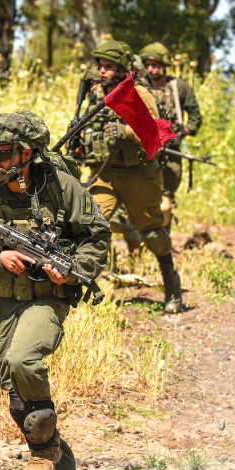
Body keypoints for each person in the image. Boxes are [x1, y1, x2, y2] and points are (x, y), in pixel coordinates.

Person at [0, 111, 110, 470]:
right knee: (17, 394)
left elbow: (98, 237)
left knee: (24, 360)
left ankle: (41, 452)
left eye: (2, 154)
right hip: (2, 301)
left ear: (25, 153)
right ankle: (63, 466)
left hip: (47, 298)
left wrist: (71, 271)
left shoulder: (61, 186)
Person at [80, 40, 186, 313]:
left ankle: (172, 286)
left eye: (109, 66)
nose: (102, 71)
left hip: (139, 173)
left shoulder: (139, 93)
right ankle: (77, 288)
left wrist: (125, 131)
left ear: (122, 67)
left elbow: (158, 133)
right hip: (106, 173)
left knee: (151, 233)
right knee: (90, 224)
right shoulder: (96, 93)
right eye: (100, 66)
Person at [139, 42, 202, 229]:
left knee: (165, 201)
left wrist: (183, 132)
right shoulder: (139, 87)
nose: (151, 69)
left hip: (170, 151)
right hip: (143, 151)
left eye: (155, 65)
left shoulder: (179, 88)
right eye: (147, 65)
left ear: (165, 65)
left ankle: (163, 241)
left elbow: (196, 116)